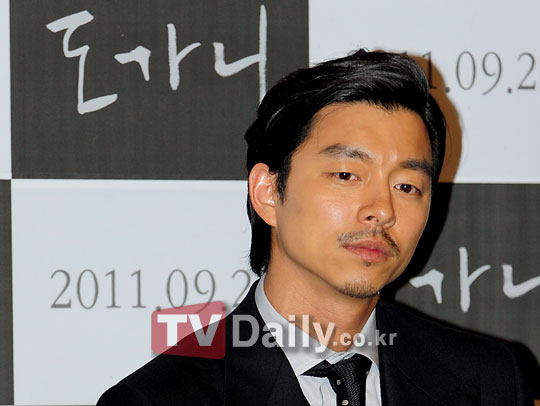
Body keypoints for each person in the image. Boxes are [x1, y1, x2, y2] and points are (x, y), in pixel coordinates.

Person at [97, 49, 532, 405]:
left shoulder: (490, 381)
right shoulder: (161, 398)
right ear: (269, 192)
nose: (382, 210)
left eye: (406, 186)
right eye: (346, 175)